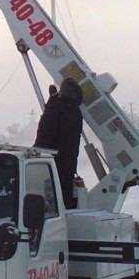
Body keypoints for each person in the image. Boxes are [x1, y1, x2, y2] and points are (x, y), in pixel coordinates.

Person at [33, 77, 84, 208]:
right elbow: (69, 143)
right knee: (61, 197)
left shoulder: (56, 107)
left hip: (50, 161)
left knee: (53, 197)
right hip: (62, 162)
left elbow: (46, 133)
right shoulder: (73, 111)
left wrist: (52, 100)